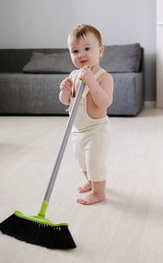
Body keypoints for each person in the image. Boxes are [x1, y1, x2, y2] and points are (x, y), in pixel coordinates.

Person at [59, 24, 114, 205]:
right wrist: (65, 91)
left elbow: (105, 102)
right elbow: (65, 101)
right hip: (77, 130)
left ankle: (99, 192)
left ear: (100, 51)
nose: (81, 54)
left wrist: (92, 82)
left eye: (87, 48)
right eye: (75, 51)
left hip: (96, 131)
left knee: (94, 162)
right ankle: (90, 181)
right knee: (81, 160)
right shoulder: (73, 75)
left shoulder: (103, 77)